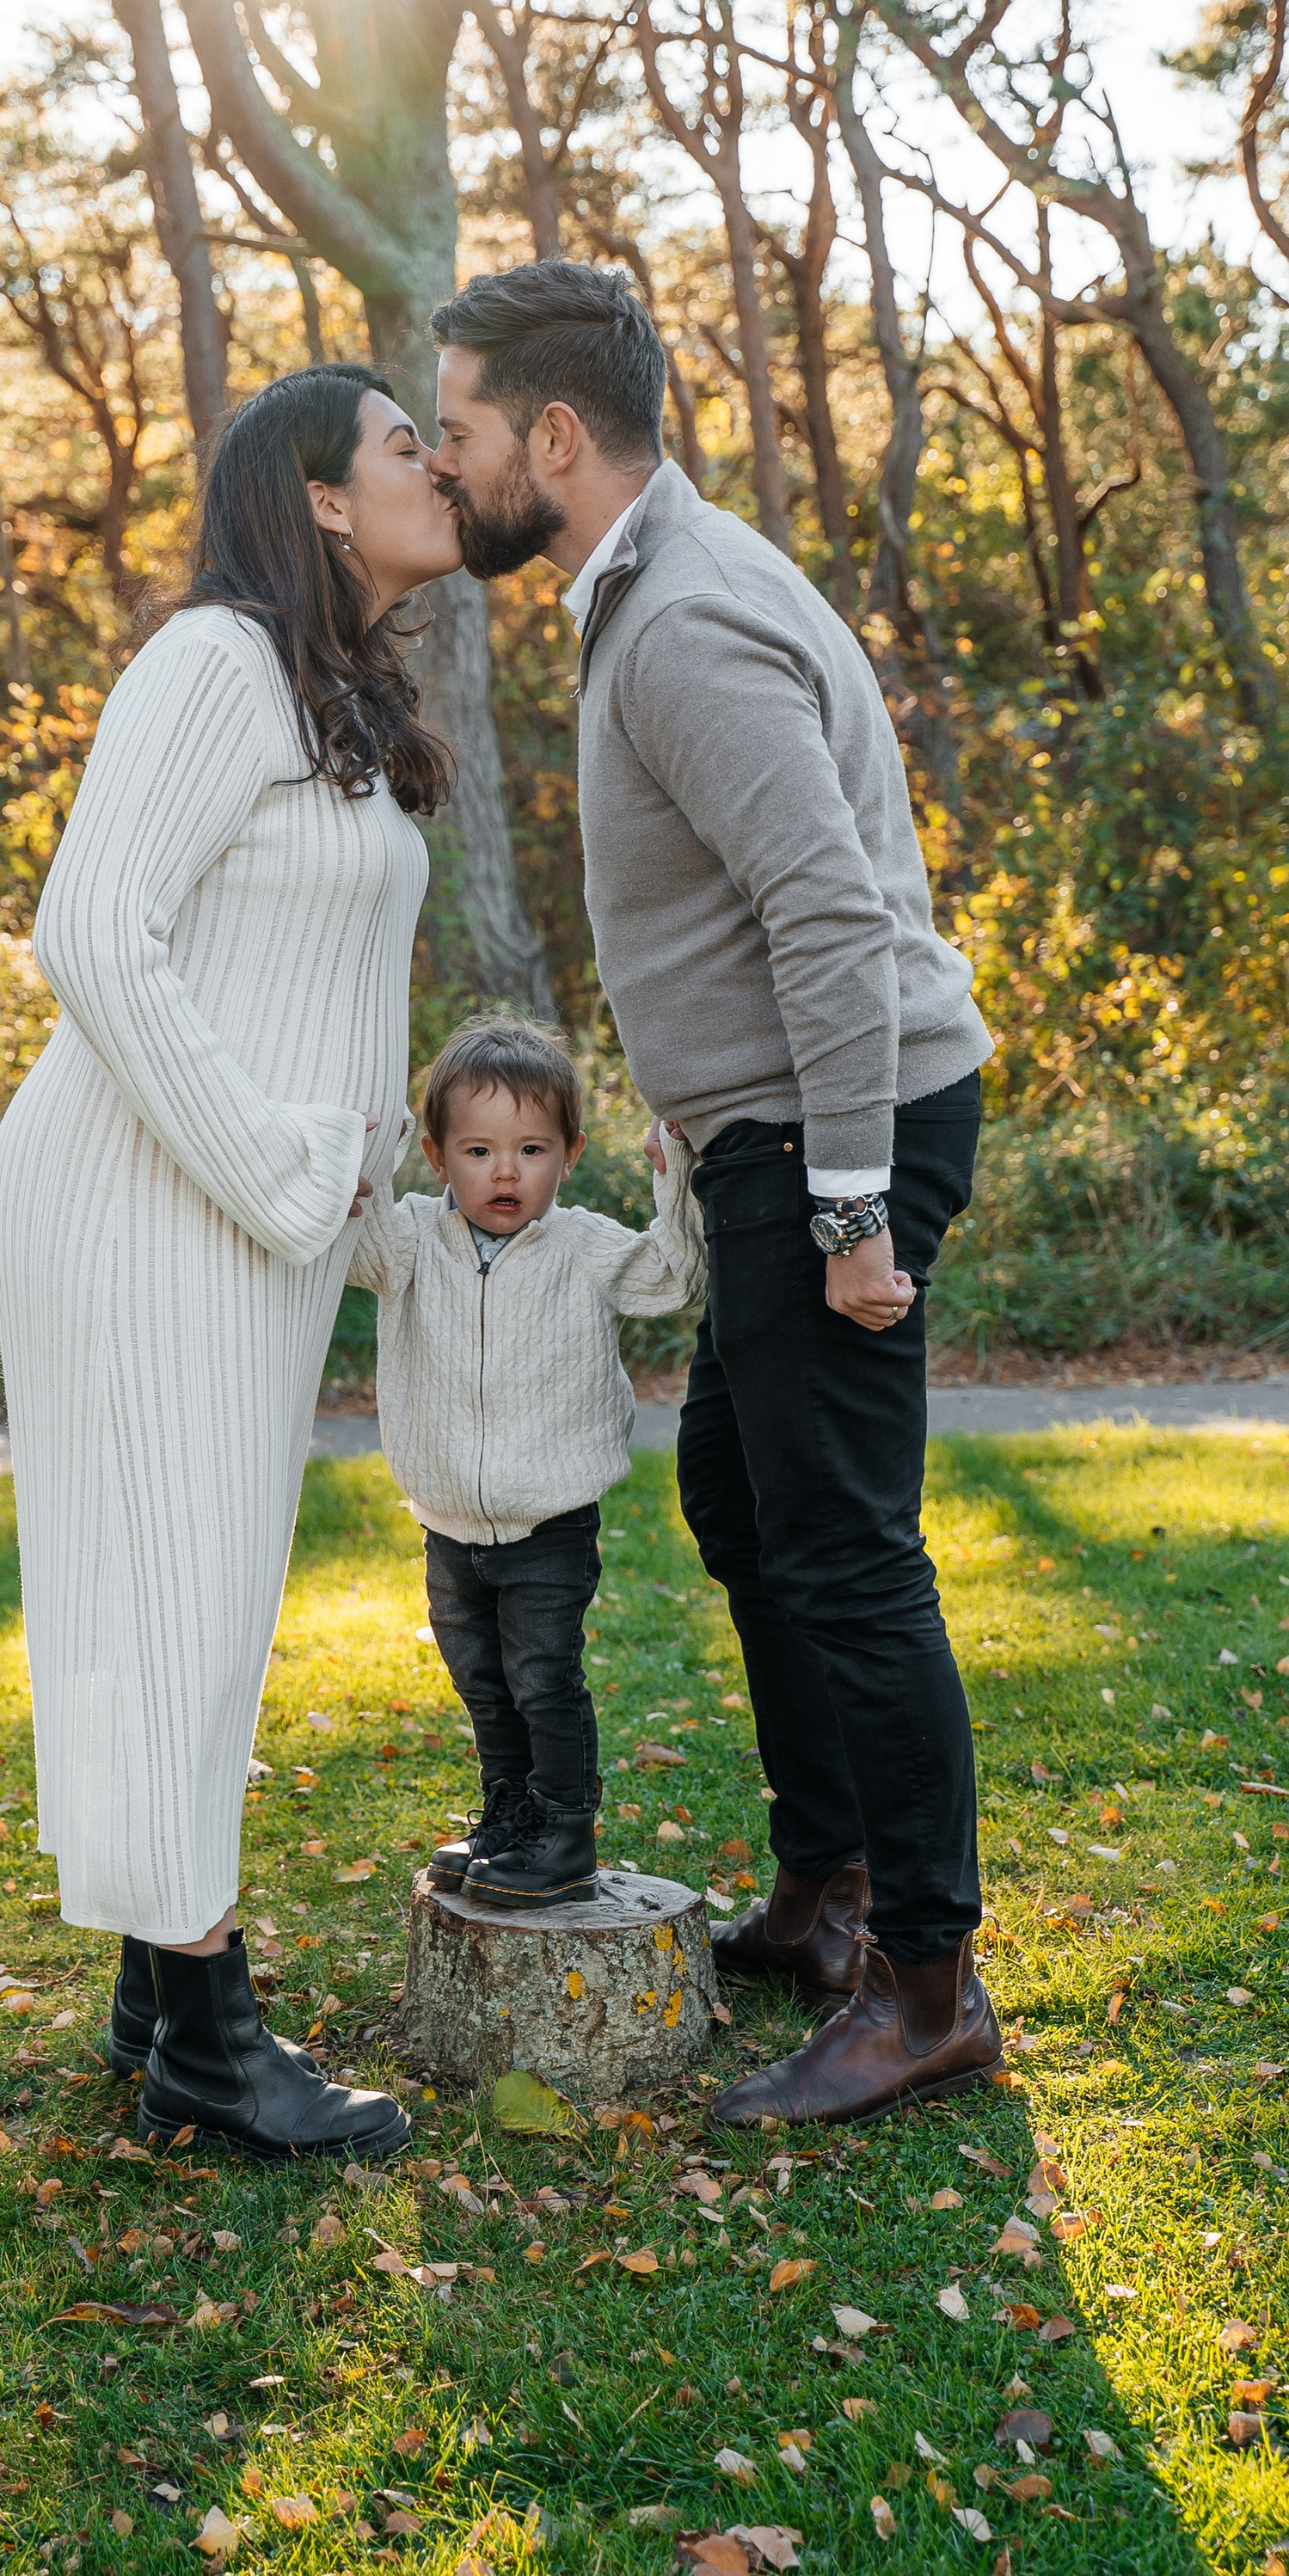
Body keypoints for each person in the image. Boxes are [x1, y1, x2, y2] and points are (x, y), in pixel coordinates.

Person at [427, 261, 1001, 2126]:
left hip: (834, 1136)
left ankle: (921, 1987)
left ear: (558, 436)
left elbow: (828, 915)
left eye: (462, 432)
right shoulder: (659, 586)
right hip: (764, 1132)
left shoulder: (676, 620)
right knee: (741, 1498)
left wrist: (847, 1217)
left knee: (843, 1547)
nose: (448, 465)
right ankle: (824, 1895)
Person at [0, 364, 460, 2162]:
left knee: (190, 1587)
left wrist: (332, 1193)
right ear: (322, 497)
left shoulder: (331, 695)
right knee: (172, 1591)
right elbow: (89, 927)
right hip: (139, 1194)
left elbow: (302, 976)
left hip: (243, 1211)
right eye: (406, 443)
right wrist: (277, 1163)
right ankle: (205, 2036)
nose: (436, 463)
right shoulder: (212, 663)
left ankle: (145, 1972)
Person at [347, 1015, 703, 1910]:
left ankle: (563, 1830)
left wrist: (677, 1180)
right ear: (437, 1155)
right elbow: (353, 1245)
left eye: (531, 1148)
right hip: (446, 1518)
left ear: (570, 1153)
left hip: (547, 1520)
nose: (504, 1172)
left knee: (543, 1675)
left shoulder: (582, 1247)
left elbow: (673, 1278)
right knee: (481, 1679)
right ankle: (508, 1814)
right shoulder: (416, 1241)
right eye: (478, 1149)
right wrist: (369, 1164)